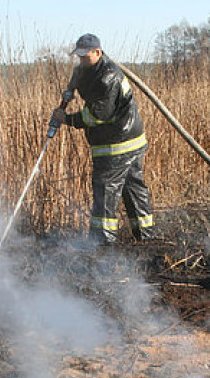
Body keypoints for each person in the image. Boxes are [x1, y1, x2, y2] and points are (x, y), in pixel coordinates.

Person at [51, 33, 155, 245]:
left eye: (85, 56)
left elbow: (97, 115)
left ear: (97, 52)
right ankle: (146, 238)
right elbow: (79, 78)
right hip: (128, 140)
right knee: (132, 187)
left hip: (117, 143)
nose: (81, 60)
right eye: (78, 57)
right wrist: (70, 90)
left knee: (106, 189)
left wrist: (67, 119)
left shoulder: (109, 77)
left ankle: (102, 244)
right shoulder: (86, 69)